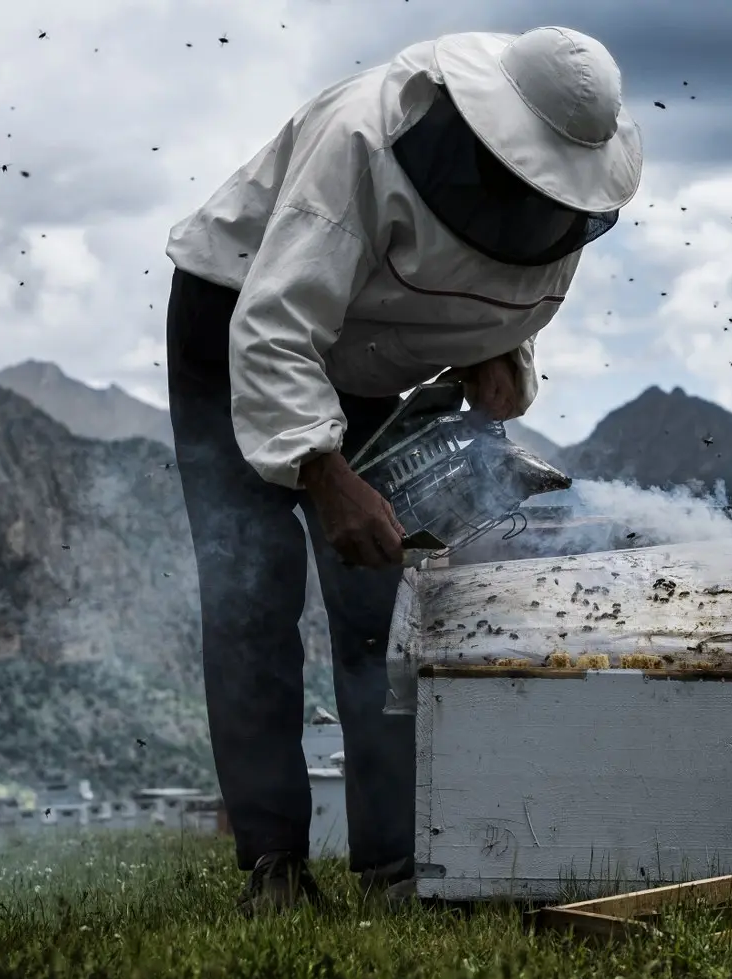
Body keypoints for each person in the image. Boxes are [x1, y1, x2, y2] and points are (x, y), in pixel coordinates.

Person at [162, 26, 643, 915]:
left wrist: (501, 361)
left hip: (375, 355)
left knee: (382, 609)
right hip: (241, 322)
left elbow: (514, 287)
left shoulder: (558, 191)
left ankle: (394, 865)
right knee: (252, 591)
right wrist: (321, 469)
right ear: (488, 137)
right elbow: (275, 328)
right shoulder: (362, 141)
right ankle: (273, 864)